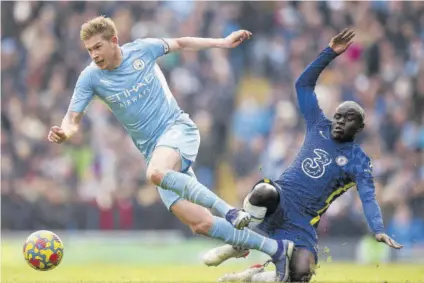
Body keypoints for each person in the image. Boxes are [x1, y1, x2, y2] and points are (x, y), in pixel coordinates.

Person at [47, 16, 295, 281]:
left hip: (178, 129)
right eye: (89, 50)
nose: (94, 55)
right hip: (154, 151)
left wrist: (222, 43)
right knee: (200, 223)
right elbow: (72, 119)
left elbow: (181, 42)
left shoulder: (142, 49)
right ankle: (278, 249)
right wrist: (65, 133)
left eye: (97, 47)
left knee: (155, 173)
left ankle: (230, 211)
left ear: (114, 41)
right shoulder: (90, 78)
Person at [202, 28, 403, 283]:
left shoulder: (359, 160)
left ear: (360, 128)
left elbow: (368, 197)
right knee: (263, 191)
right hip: (281, 198)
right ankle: (238, 245)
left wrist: (378, 229)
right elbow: (302, 85)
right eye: (339, 115)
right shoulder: (318, 123)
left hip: (303, 222)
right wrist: (329, 53)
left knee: (301, 275)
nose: (339, 122)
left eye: (348, 119)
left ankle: (249, 278)